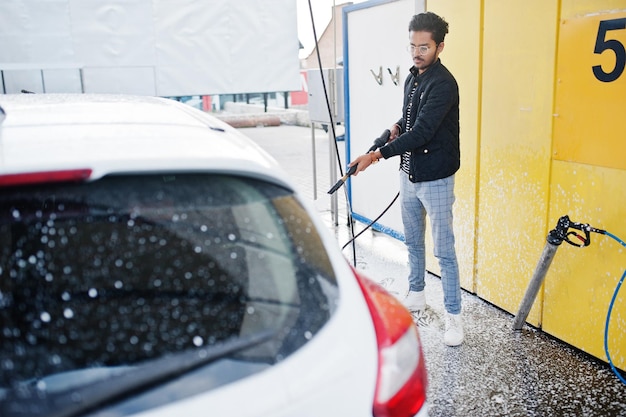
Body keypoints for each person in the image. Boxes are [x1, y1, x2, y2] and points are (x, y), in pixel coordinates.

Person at [348, 12, 463, 346]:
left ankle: (454, 317)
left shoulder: (443, 83)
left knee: (443, 250)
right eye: (412, 45)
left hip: (436, 177)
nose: (416, 52)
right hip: (409, 174)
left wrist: (376, 156)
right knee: (412, 240)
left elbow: (425, 130)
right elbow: (411, 119)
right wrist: (393, 130)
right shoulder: (414, 77)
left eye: (424, 47)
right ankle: (416, 293)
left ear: (440, 46)